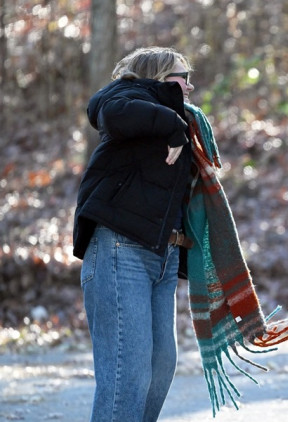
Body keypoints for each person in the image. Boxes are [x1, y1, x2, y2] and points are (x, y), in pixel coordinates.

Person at [73, 47, 195, 422]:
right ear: (156, 76)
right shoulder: (125, 97)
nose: (190, 86)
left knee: (161, 367)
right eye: (182, 76)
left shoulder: (175, 119)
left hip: (164, 256)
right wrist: (175, 126)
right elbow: (108, 111)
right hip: (119, 250)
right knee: (127, 376)